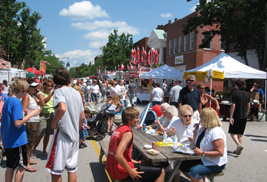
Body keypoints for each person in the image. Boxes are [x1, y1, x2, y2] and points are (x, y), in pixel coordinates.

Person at [45, 68, 85, 182]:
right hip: (74, 136)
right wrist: (76, 129)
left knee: (56, 170)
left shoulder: (59, 91)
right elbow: (82, 116)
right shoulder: (76, 92)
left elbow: (62, 107)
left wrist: (54, 122)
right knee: (72, 169)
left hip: (62, 135)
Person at [106, 107, 165, 182]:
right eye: (136, 118)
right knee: (160, 171)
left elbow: (118, 153)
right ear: (128, 120)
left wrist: (135, 162)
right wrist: (131, 171)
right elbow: (118, 155)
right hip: (120, 171)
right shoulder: (127, 133)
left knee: (144, 163)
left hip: (111, 167)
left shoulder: (119, 129)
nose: (139, 120)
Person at [1, 78, 41, 182]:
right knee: (21, 166)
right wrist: (33, 113)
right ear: (22, 89)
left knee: (10, 166)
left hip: (8, 139)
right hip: (16, 140)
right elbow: (17, 122)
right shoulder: (16, 102)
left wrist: (26, 112)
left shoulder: (9, 100)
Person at [180, 107, 227, 182]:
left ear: (206, 118)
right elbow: (196, 143)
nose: (199, 118)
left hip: (214, 163)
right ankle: (201, 180)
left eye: (201, 116)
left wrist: (203, 153)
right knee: (182, 164)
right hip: (203, 159)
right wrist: (195, 132)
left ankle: (200, 180)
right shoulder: (203, 128)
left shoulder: (216, 132)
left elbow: (220, 153)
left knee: (194, 172)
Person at [22, 78, 45, 172]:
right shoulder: (27, 96)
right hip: (30, 122)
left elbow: (42, 104)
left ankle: (28, 159)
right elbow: (24, 110)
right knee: (29, 143)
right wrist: (34, 112)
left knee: (32, 141)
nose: (36, 88)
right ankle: (26, 163)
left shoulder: (33, 96)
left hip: (35, 121)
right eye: (34, 87)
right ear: (28, 87)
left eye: (36, 87)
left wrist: (39, 95)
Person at [32, 80, 55, 157]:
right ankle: (34, 149)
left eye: (51, 86)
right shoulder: (41, 94)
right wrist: (51, 94)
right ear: (44, 86)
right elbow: (44, 102)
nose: (50, 87)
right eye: (48, 86)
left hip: (51, 114)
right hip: (43, 115)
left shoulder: (53, 95)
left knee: (48, 134)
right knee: (40, 134)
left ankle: (44, 150)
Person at [229, 78, 250, 155]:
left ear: (237, 85)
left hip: (236, 115)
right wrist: (247, 112)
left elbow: (233, 105)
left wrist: (231, 116)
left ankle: (238, 145)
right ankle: (237, 149)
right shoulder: (246, 93)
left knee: (232, 132)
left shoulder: (235, 93)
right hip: (244, 115)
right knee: (240, 133)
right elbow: (248, 105)